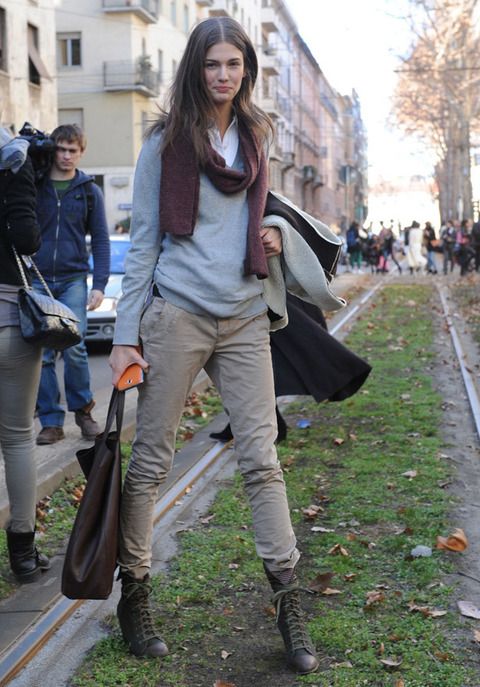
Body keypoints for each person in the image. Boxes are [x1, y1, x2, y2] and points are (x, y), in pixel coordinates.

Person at [109, 17, 321, 674]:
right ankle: (134, 593)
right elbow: (143, 244)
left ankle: (289, 599)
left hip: (243, 317)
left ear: (247, 70)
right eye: (213, 64)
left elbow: (264, 211)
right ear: (195, 69)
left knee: (263, 462)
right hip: (177, 317)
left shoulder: (259, 136)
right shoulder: (164, 143)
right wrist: (124, 337)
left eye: (234, 64)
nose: (224, 75)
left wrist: (277, 232)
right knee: (149, 462)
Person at [33, 124, 110, 445]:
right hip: (36, 280)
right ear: (53, 150)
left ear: (81, 152)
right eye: (61, 149)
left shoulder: (89, 190)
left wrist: (100, 284)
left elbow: (102, 240)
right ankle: (50, 421)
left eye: (72, 150)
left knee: (76, 348)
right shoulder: (35, 185)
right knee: (44, 353)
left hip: (73, 279)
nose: (66, 156)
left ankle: (83, 412)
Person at [210, 293, 372, 443]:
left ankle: (260, 424)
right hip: (265, 292)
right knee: (258, 360)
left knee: (264, 357)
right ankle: (257, 422)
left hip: (269, 291)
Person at [0, 128, 50, 582]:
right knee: (16, 439)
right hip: (9, 320)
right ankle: (23, 554)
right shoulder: (13, 162)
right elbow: (29, 239)